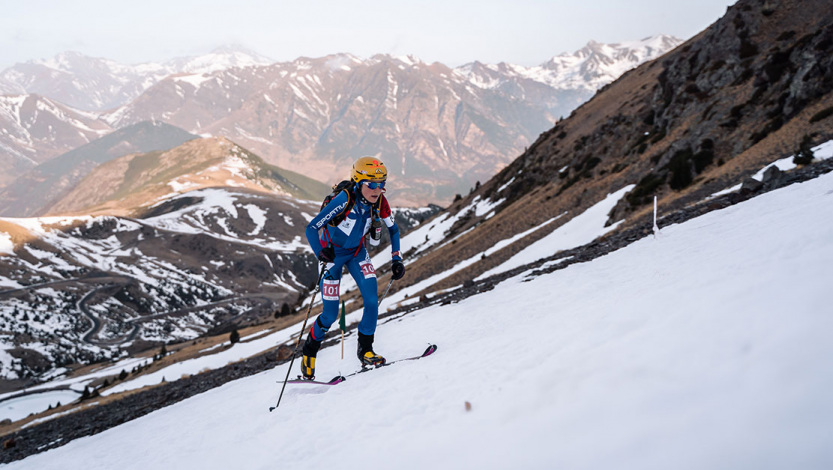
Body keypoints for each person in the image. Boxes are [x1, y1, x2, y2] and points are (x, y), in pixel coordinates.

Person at [300, 156, 406, 379]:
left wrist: (397, 258)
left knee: (371, 301)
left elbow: (394, 230)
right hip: (332, 257)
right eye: (372, 184)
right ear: (358, 182)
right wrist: (321, 252)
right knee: (329, 315)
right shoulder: (343, 200)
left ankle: (365, 350)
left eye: (381, 184)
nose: (377, 190)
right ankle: (309, 351)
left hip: (357, 254)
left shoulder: (380, 202)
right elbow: (311, 228)